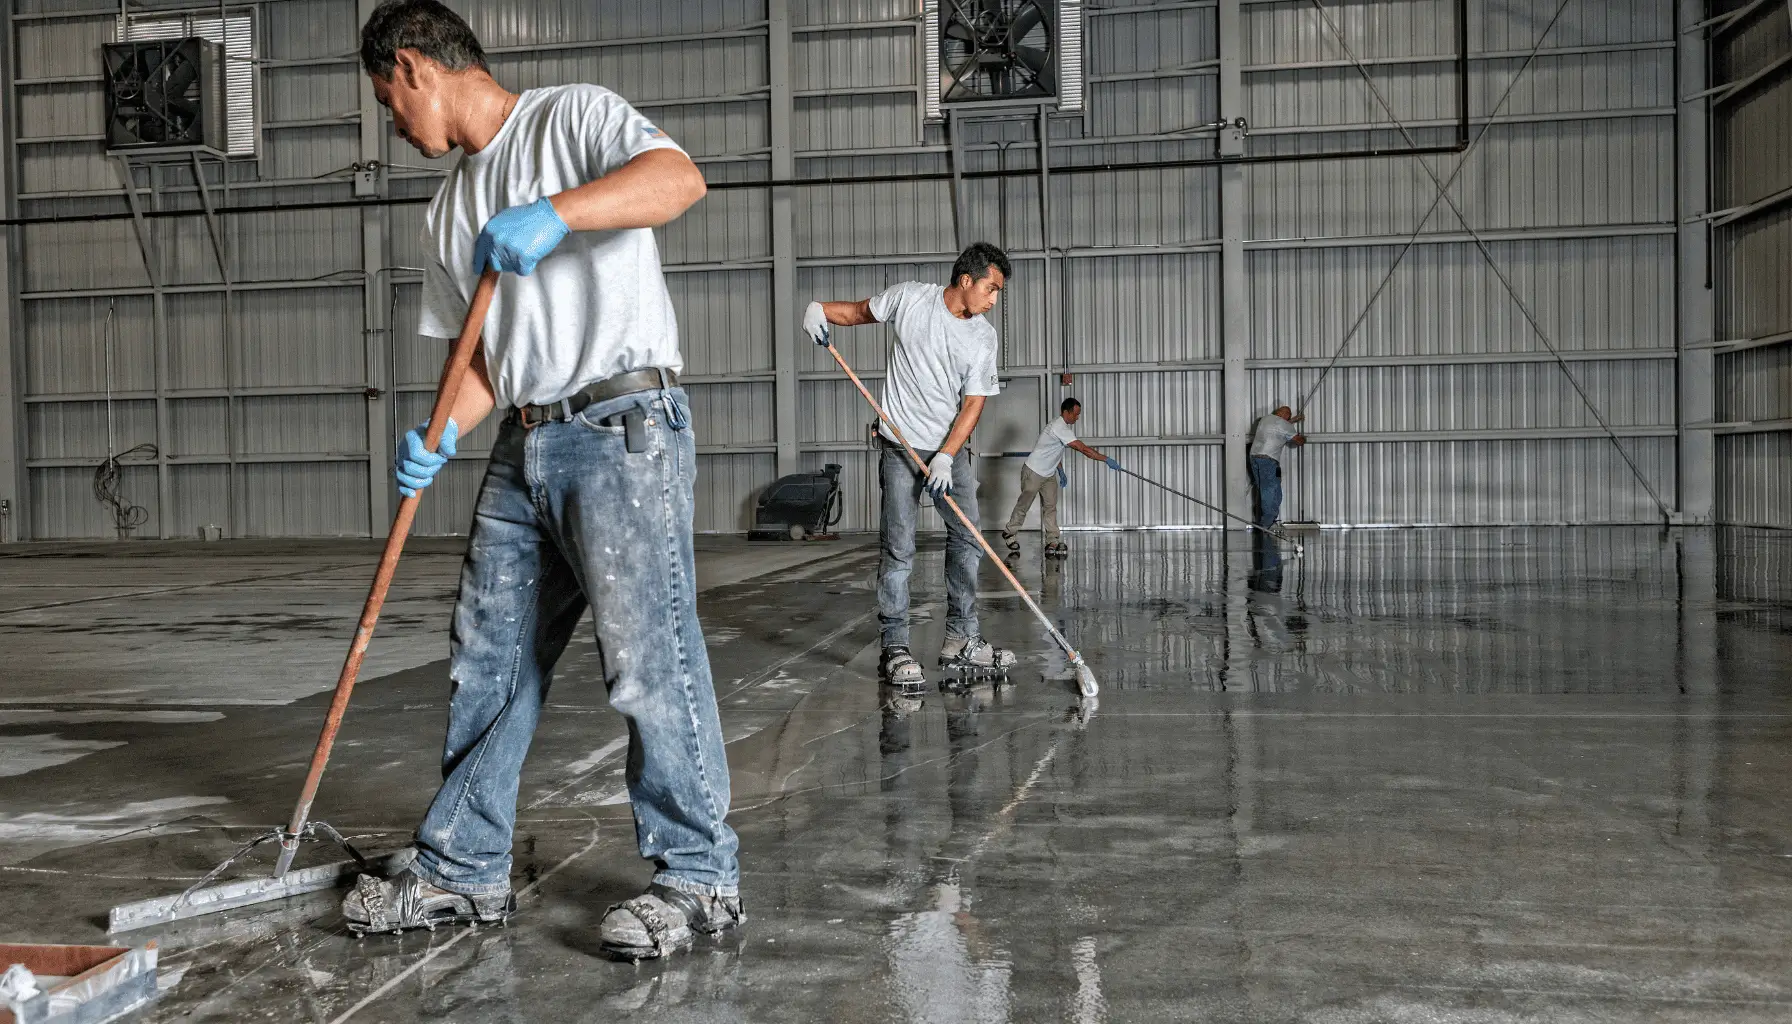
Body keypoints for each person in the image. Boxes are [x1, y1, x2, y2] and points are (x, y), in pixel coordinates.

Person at [341, 0, 740, 962]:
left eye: (387, 101)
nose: (393, 126)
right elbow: (480, 361)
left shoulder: (574, 118)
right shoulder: (448, 209)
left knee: (649, 659)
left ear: (412, 67)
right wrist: (436, 438)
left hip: (622, 424)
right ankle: (463, 867)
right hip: (523, 443)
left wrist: (558, 212)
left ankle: (701, 876)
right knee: (489, 658)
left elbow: (677, 179)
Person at [803, 243, 1019, 692]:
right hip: (899, 446)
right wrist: (819, 310)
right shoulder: (910, 299)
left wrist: (946, 455)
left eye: (998, 292)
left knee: (969, 539)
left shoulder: (983, 336)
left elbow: (974, 403)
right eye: (991, 288)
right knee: (899, 550)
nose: (994, 299)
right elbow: (861, 312)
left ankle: (960, 637)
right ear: (966, 280)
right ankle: (895, 648)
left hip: (949, 452)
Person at [1001, 398, 1119, 556]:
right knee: (1024, 504)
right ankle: (1009, 533)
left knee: (1050, 507)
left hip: (1049, 474)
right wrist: (1105, 459)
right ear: (1067, 412)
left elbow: (1054, 452)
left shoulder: (1062, 428)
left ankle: (1052, 540)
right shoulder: (1059, 426)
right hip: (1034, 471)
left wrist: (1060, 471)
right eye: (1076, 414)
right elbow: (1082, 448)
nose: (1077, 418)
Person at [1249, 404, 1306, 528]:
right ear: (1286, 415)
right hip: (1269, 460)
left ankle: (1264, 521)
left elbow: (1278, 426)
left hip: (1254, 458)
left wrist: (1293, 420)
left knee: (1263, 490)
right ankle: (1267, 524)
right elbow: (1298, 441)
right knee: (1273, 492)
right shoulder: (1284, 424)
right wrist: (1303, 438)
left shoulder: (1265, 419)